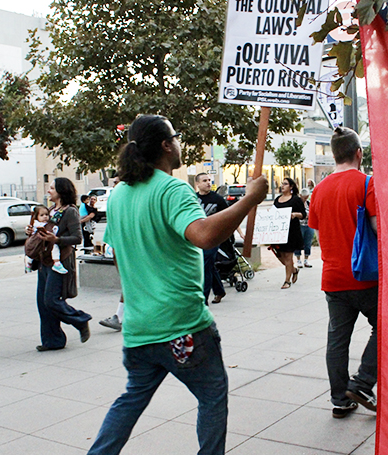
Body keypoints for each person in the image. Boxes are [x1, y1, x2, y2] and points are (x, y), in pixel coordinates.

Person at [88, 114, 267, 455]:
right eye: (177, 137)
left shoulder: (119, 195)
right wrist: (249, 199)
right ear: (166, 145)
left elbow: (120, 256)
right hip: (182, 327)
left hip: (139, 328)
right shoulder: (173, 189)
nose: (180, 143)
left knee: (130, 400)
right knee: (212, 395)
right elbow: (204, 235)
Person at [308, 127, 378, 419]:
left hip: (333, 278)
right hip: (366, 277)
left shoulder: (319, 190)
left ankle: (340, 399)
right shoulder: (366, 184)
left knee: (337, 340)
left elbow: (318, 230)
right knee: (386, 328)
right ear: (358, 153)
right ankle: (361, 383)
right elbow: (378, 229)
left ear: (335, 154)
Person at [28, 177, 92, 352]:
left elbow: (77, 238)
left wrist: (56, 239)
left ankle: (80, 319)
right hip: (45, 260)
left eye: (52, 188)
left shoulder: (70, 211)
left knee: (51, 300)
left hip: (60, 261)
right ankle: (52, 340)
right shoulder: (50, 210)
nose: (49, 190)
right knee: (42, 302)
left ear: (61, 191)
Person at [195, 172, 229, 304]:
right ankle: (219, 290)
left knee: (204, 265)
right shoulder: (193, 198)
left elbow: (228, 217)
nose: (208, 183)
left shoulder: (217, 199)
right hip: (198, 236)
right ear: (197, 184)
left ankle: (203, 299)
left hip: (214, 238)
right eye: (204, 180)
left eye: (209, 180)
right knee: (209, 266)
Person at [271, 177, 306, 289]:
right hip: (279, 232)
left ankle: (287, 281)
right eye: (282, 184)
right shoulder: (277, 200)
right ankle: (294, 270)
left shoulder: (295, 200)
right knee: (279, 255)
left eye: (285, 184)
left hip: (291, 232)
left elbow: (303, 214)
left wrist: (295, 215)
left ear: (291, 186)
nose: (282, 186)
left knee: (288, 256)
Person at [25, 204, 68, 274]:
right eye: (42, 215)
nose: (45, 217)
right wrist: (28, 230)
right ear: (37, 217)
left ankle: (56, 262)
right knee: (32, 251)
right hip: (36, 242)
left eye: (46, 215)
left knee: (54, 247)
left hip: (44, 244)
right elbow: (30, 229)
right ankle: (28, 263)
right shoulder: (37, 224)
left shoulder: (48, 223)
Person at [294, 187, 314, 268]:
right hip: (299, 225)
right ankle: (298, 259)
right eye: (303, 196)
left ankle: (306, 259)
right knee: (298, 242)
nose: (305, 198)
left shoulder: (309, 203)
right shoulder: (297, 203)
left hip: (308, 225)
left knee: (308, 243)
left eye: (306, 196)